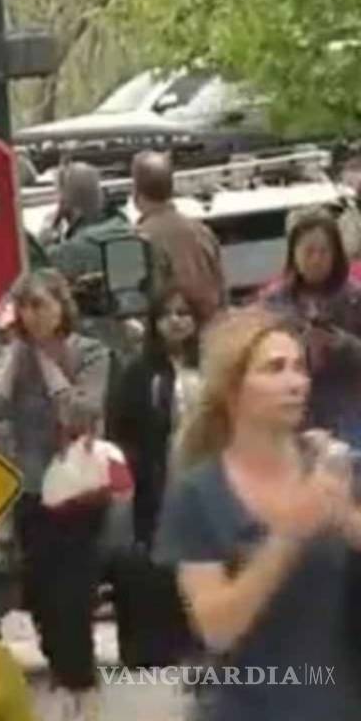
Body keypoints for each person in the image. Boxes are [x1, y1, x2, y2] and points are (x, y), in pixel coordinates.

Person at [155, 307, 361, 719]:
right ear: (233, 390)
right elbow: (216, 628)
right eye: (275, 369)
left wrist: (345, 518)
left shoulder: (336, 468)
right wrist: (287, 536)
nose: (295, 382)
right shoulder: (197, 492)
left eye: (300, 368)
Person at [0, 269, 111, 720]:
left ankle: (81, 684)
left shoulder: (88, 352)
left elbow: (82, 410)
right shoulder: (10, 358)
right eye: (26, 307)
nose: (33, 316)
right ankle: (63, 667)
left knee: (73, 593)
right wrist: (17, 359)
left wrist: (49, 366)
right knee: (37, 593)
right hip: (29, 491)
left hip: (78, 489)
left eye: (42, 305)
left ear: (61, 306)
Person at [107, 288, 202, 549]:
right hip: (157, 478)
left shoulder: (211, 365)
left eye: (183, 313)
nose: (175, 320)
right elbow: (120, 427)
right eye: (166, 314)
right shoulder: (138, 371)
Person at [261, 212, 361, 448]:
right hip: (293, 416)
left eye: (323, 252)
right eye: (308, 251)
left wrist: (344, 345)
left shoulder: (354, 298)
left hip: (348, 412)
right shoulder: (274, 303)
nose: (316, 260)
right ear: (293, 254)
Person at [132, 150, 226, 324]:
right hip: (211, 331)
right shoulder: (202, 232)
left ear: (136, 194)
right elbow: (222, 290)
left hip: (172, 337)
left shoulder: (139, 240)